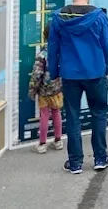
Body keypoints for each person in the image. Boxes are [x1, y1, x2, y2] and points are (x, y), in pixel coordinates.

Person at [48, 0, 108, 174]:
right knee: (99, 114)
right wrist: (106, 67)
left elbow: (53, 48)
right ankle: (100, 158)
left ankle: (75, 162)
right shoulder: (99, 17)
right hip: (95, 72)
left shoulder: (59, 17)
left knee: (73, 117)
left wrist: (54, 72)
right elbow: (107, 46)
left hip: (70, 74)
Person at [30, 22, 64, 153]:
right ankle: (58, 141)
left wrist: (33, 90)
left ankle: (42, 143)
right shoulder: (62, 52)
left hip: (44, 91)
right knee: (56, 113)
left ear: (45, 36)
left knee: (44, 115)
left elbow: (37, 74)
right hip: (58, 89)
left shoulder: (42, 55)